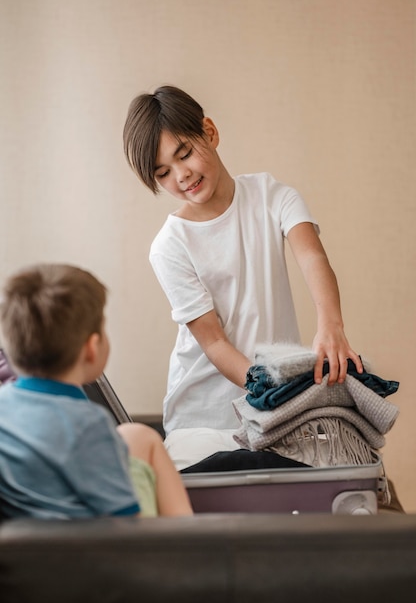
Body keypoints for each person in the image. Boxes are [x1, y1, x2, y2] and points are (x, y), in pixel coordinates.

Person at [123, 85, 363, 436]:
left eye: (185, 153)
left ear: (209, 131)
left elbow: (312, 256)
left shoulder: (273, 196)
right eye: (163, 173)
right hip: (205, 418)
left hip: (278, 406)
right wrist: (268, 390)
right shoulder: (169, 246)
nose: (181, 175)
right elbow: (214, 342)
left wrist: (331, 325)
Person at [0, 263, 192, 519]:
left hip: (21, 544)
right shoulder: (88, 426)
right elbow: (122, 523)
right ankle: (189, 544)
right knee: (144, 438)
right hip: (81, 551)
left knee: (138, 436)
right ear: (92, 347)